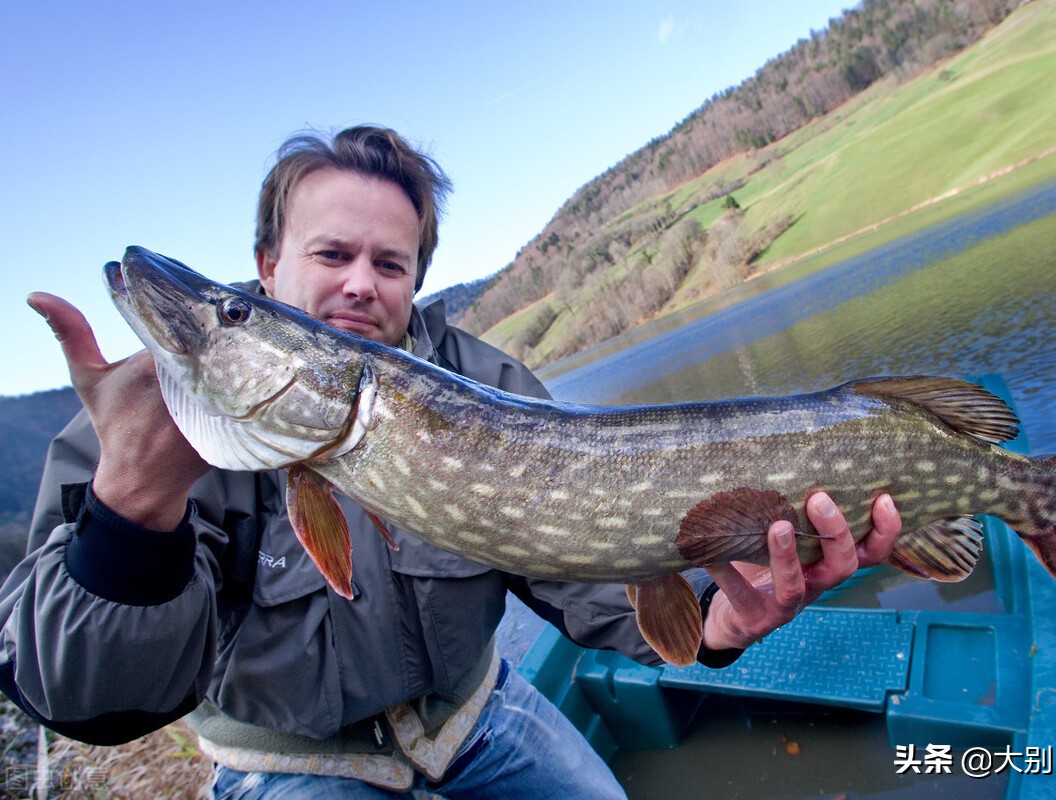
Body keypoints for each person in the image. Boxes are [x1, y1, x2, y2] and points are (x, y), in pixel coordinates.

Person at [0, 125, 902, 798]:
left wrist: (713, 621)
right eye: (331, 253)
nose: (361, 282)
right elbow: (78, 695)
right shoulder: (145, 419)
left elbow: (584, 559)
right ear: (266, 267)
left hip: (473, 716)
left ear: (417, 281)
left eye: (389, 263)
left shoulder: (487, 381)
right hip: (291, 762)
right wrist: (127, 513)